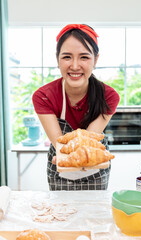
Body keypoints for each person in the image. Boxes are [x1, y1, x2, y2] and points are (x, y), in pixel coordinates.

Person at [32, 24, 120, 191]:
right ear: (57, 58)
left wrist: (84, 158)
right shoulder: (43, 96)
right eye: (67, 57)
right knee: (61, 212)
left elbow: (90, 139)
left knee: (94, 212)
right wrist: (67, 157)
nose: (74, 66)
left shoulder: (108, 96)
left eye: (84, 57)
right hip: (61, 160)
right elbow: (60, 143)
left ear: (96, 59)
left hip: (94, 162)